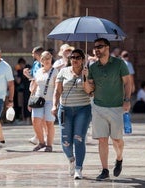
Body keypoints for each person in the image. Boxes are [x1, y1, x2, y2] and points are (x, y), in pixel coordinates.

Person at [87, 38, 132, 180]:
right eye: (95, 47)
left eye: (99, 47)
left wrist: (127, 100)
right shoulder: (93, 67)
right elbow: (90, 89)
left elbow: (127, 83)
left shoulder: (119, 64)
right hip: (99, 106)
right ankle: (104, 170)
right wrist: (84, 78)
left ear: (107, 47)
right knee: (102, 139)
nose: (96, 50)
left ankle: (119, 158)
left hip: (117, 107)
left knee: (117, 140)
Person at [51, 49, 92, 180]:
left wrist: (85, 78)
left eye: (78, 57)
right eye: (72, 57)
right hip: (65, 110)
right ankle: (71, 159)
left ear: (83, 59)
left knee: (78, 138)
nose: (74, 59)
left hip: (83, 109)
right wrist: (54, 105)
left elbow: (89, 91)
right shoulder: (63, 71)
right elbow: (57, 91)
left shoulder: (88, 72)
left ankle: (79, 168)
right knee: (66, 141)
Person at [29, 51, 57, 152]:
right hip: (38, 99)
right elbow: (35, 85)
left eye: (49, 58)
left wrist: (56, 102)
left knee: (49, 122)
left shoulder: (55, 71)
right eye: (45, 58)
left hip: (50, 100)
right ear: (41, 61)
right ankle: (41, 142)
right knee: (35, 121)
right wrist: (30, 99)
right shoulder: (39, 71)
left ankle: (49, 145)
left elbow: (57, 88)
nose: (47, 60)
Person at [23, 46, 44, 145]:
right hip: (34, 90)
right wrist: (27, 75)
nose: (32, 55)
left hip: (41, 91)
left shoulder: (44, 64)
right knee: (35, 116)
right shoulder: (35, 64)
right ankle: (38, 136)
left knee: (41, 116)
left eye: (33, 53)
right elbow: (33, 77)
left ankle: (41, 137)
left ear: (37, 53)